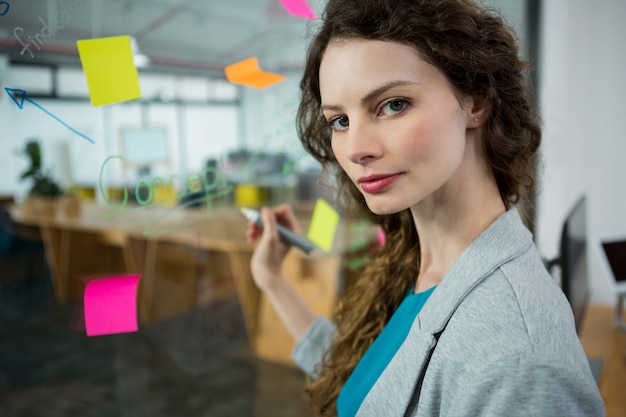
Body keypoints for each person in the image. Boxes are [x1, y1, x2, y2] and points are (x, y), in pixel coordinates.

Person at [245, 0, 605, 416]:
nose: (356, 149)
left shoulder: (520, 360)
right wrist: (271, 278)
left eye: (393, 104)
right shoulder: (416, 262)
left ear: (476, 101)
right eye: (339, 121)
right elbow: (368, 384)